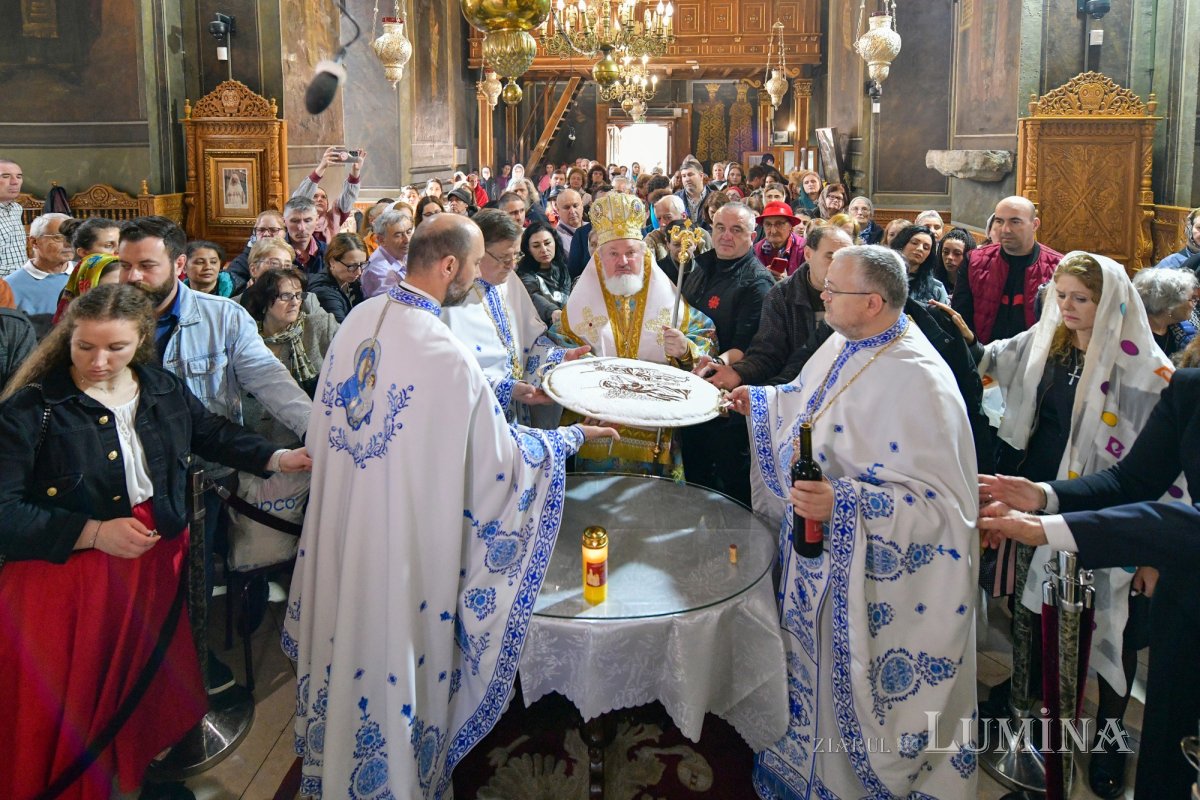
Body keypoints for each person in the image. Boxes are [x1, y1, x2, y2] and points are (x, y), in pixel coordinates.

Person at [283, 213, 617, 798]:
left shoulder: (360, 319)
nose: (479, 278)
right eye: (475, 263)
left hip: (345, 525)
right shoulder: (443, 350)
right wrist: (571, 438)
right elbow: (502, 462)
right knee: (390, 647)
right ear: (449, 266)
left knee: (349, 639)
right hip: (399, 540)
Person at [0, 283, 310, 800]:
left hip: (151, 557)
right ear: (66, 339)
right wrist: (93, 532)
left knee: (140, 680)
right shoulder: (32, 409)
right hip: (67, 582)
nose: (99, 361)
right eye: (85, 347)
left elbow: (207, 432)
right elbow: (5, 509)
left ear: (141, 341)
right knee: (78, 697)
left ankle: (133, 774)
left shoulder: (161, 386)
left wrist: (277, 459)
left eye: (116, 348)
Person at [727, 244, 978, 799]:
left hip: (865, 573)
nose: (823, 296)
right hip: (815, 554)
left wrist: (844, 503)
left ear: (873, 301)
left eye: (834, 291)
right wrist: (762, 401)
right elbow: (806, 401)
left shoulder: (922, 381)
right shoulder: (846, 343)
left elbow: (945, 512)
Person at [958, 253, 1175, 798]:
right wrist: (956, 332)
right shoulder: (1047, 344)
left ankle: (1108, 739)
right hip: (1045, 502)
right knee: (1041, 615)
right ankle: (1038, 725)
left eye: (1081, 298)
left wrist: (1154, 551)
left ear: (1112, 304)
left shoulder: (1148, 372)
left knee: (1115, 628)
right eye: (1061, 295)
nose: (1067, 307)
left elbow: (1173, 474)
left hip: (1113, 516)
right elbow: (990, 359)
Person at [978, 368, 1200, 800]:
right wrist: (1043, 496)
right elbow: (1131, 481)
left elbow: (1184, 523)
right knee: (1169, 749)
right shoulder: (1192, 388)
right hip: (1187, 605)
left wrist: (1049, 529)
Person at [117, 215, 312, 690]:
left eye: (146, 265)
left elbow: (268, 379)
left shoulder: (221, 316)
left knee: (195, 580)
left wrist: (319, 431)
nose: (133, 277)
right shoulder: (110, 315)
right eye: (125, 266)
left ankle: (190, 669)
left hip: (203, 474)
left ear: (178, 265)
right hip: (128, 479)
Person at [551, 192, 716, 479]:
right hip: (597, 429)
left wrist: (685, 349)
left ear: (645, 255)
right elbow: (556, 346)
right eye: (613, 254)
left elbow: (707, 336)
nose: (623, 261)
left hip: (654, 434)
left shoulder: (667, 296)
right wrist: (575, 366)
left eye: (631, 252)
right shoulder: (581, 302)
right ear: (599, 258)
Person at [442, 209, 585, 423]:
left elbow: (530, 341)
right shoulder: (451, 297)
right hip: (477, 417)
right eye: (503, 258)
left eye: (516, 256)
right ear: (475, 251)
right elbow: (448, 376)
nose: (512, 266)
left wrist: (558, 357)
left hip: (518, 411)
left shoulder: (509, 281)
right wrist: (506, 388)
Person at [680, 203, 775, 504]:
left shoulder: (757, 283)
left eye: (736, 230)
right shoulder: (702, 264)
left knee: (727, 487)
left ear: (752, 234)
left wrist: (717, 361)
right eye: (720, 227)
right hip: (692, 387)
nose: (725, 236)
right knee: (694, 475)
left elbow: (749, 346)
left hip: (726, 401)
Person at [702, 226, 852, 391]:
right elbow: (768, 353)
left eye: (845, 259)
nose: (840, 266)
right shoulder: (782, 295)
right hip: (790, 387)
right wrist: (738, 373)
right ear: (808, 254)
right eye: (831, 256)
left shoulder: (856, 297)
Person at [952, 195, 1063, 345]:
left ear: (1035, 224)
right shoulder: (974, 261)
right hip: (982, 355)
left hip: (1035, 358)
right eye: (999, 221)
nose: (1005, 229)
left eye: (1015, 221)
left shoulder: (1058, 266)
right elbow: (961, 316)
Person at [3, 212, 74, 338]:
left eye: (72, 236)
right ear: (34, 241)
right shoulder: (9, 287)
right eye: (58, 237)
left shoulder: (87, 272)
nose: (68, 244)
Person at [291, 146, 364, 244]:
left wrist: (356, 172)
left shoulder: (334, 217)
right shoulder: (298, 218)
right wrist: (322, 167)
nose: (319, 199)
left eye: (323, 197)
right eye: (315, 196)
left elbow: (348, 199)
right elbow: (298, 200)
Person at [1133, 266, 1198, 358]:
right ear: (1169, 304)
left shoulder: (1184, 332)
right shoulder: (1133, 334)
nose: (1194, 305)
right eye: (1192, 299)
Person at [516, 221, 572, 326]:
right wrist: (553, 311)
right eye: (536, 246)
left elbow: (567, 295)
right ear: (528, 249)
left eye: (547, 243)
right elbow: (533, 296)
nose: (544, 249)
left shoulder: (562, 267)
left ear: (555, 242)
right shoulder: (524, 273)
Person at [307, 232, 366, 323]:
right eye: (351, 266)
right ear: (332, 262)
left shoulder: (351, 282)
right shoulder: (323, 292)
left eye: (362, 264)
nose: (359, 272)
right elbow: (342, 330)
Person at [225, 209, 288, 293]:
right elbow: (230, 285)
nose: (266, 234)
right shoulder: (242, 261)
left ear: (285, 232)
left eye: (273, 230)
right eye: (261, 230)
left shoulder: (293, 256)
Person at [361, 209, 414, 299]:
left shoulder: (404, 253)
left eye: (409, 232)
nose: (407, 240)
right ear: (381, 240)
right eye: (398, 235)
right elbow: (398, 305)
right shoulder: (377, 271)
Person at [890, 224, 949, 303]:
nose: (920, 249)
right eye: (914, 243)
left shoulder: (936, 288)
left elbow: (945, 314)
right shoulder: (882, 277)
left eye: (926, 247)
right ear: (902, 244)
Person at [753, 200, 806, 279]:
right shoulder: (756, 250)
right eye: (768, 224)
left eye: (779, 224)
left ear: (791, 226)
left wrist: (788, 282)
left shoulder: (804, 249)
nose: (773, 231)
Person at [282, 196, 327, 275]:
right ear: (284, 222)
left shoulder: (328, 252)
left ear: (316, 220)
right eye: (295, 221)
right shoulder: (274, 253)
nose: (302, 228)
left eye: (307, 221)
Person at [932, 227, 976, 296]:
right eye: (946, 252)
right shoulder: (931, 279)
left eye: (957, 254)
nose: (950, 257)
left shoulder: (974, 285)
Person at [0, 159, 25, 278]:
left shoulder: (16, 209)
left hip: (19, 283)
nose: (15, 182)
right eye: (5, 176)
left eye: (19, 176)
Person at [675, 157, 713, 230]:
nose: (687, 179)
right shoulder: (675, 199)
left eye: (690, 175)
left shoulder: (715, 197)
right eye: (684, 176)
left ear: (701, 176)